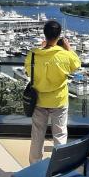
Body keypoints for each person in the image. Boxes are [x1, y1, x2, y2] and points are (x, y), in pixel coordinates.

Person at [25, 20, 81, 164]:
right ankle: (59, 165)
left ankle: (34, 165)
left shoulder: (33, 54)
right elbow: (76, 65)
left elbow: (27, 72)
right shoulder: (64, 55)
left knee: (37, 135)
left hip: (38, 100)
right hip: (59, 100)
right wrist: (68, 48)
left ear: (45, 34)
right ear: (59, 35)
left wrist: (42, 48)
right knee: (60, 135)